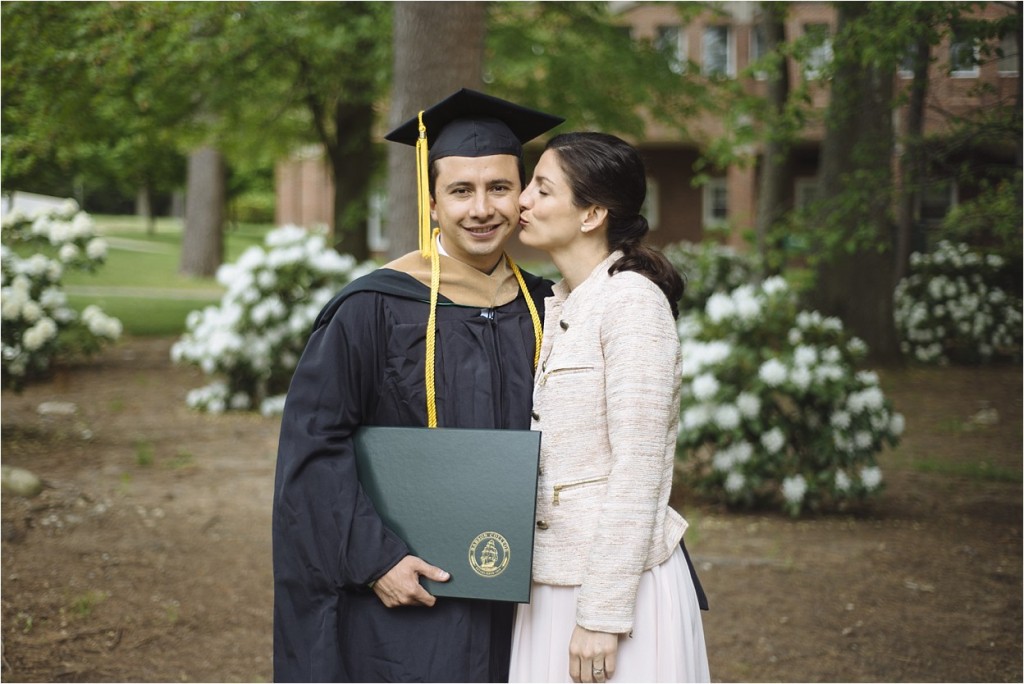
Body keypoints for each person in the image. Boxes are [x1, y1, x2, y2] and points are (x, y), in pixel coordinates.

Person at [271, 89, 562, 682]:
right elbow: (315, 444)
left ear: (523, 196)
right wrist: (375, 558)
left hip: (528, 597)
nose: (481, 209)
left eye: (499, 188)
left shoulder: (547, 307)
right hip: (406, 592)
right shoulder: (372, 307)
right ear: (432, 202)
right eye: (460, 190)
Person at [509, 132, 711, 683]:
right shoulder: (561, 302)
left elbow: (640, 471)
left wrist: (602, 614)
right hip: (549, 585)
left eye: (542, 189)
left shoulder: (632, 303)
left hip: (614, 596)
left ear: (592, 212)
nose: (522, 200)